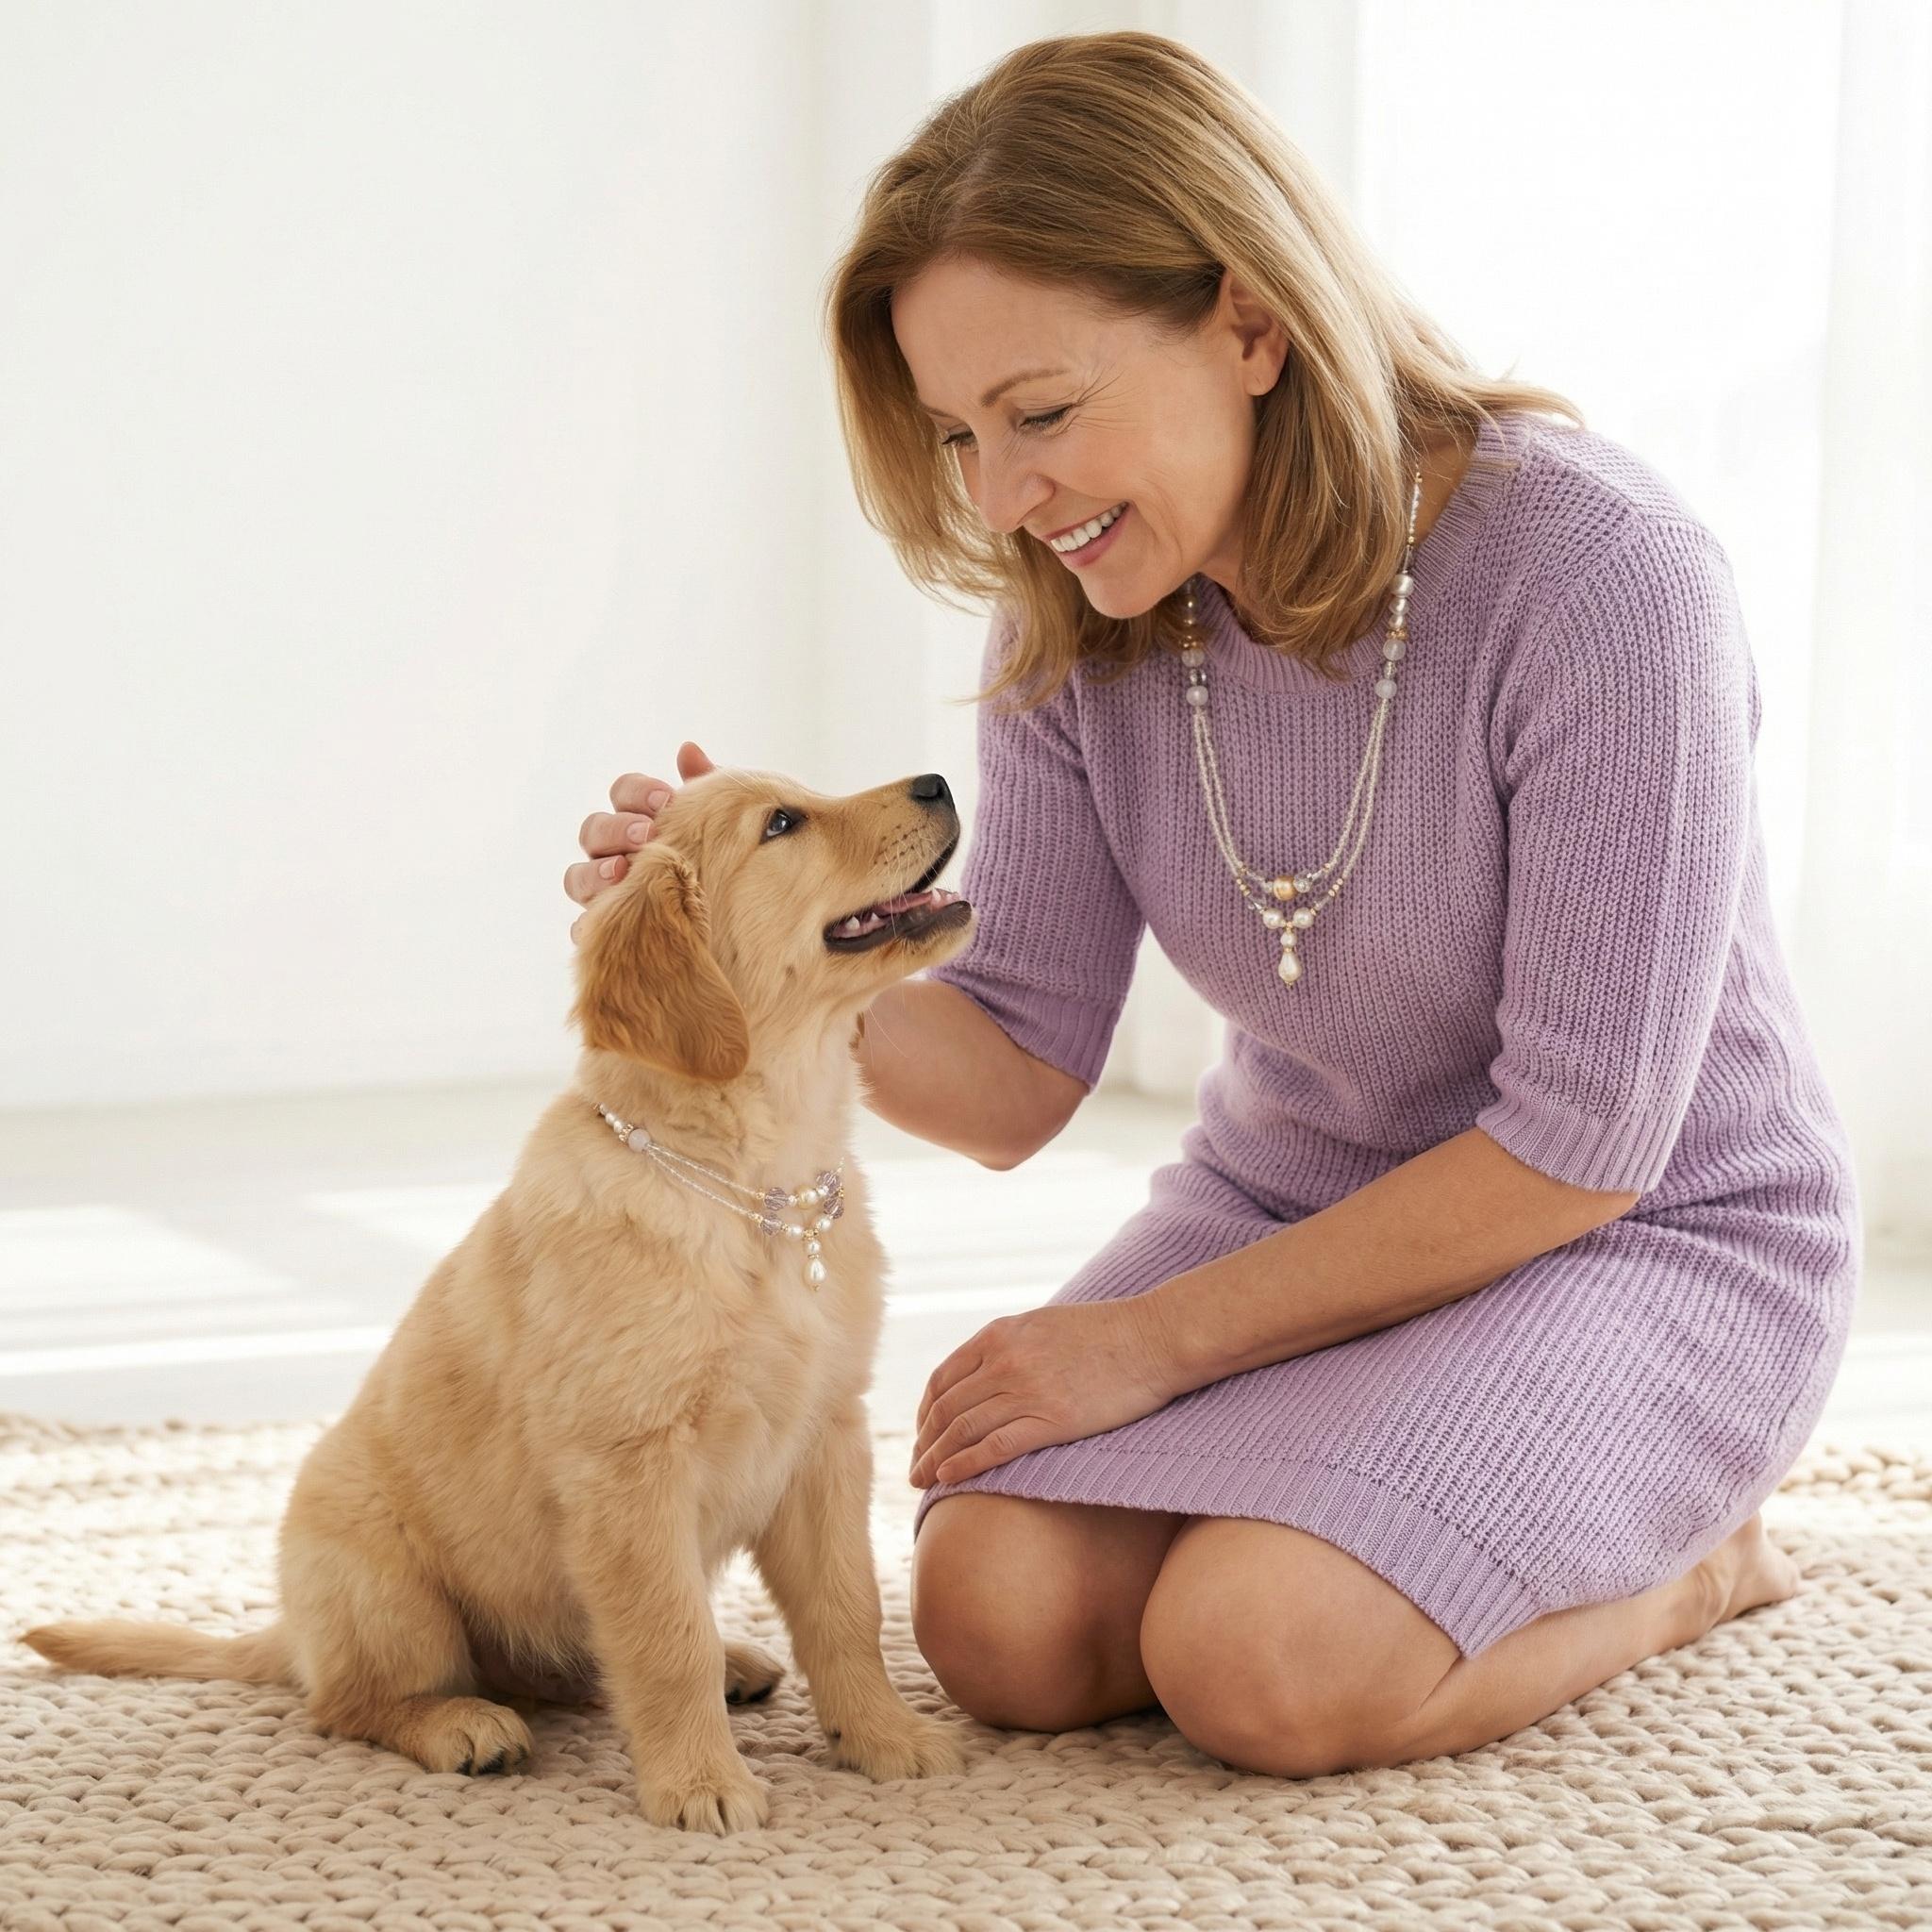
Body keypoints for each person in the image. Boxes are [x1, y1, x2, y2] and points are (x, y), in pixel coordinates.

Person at [561, 31, 1858, 1778]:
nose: (1001, 498)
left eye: (1040, 413)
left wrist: (1147, 1349)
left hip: (1645, 1235)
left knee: (1261, 1661)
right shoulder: (1077, 611)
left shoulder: (1602, 581)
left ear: (1250, 325)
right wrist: (763, 953)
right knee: (997, 1625)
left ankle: (1699, 1566)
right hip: (1297, 1197)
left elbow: (1582, 1146)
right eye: (958, 435)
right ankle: (1387, 1489)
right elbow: (1014, 1073)